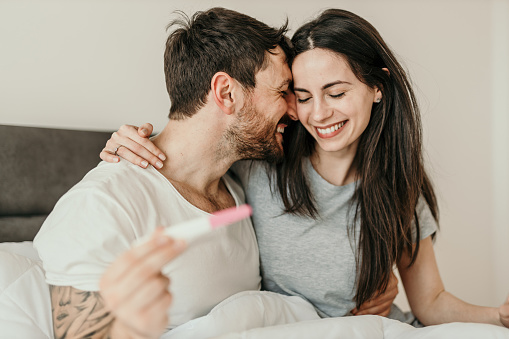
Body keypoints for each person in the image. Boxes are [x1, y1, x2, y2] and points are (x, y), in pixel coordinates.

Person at [101, 9, 509, 328]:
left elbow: (430, 302)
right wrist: (136, 140)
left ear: (377, 87)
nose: (319, 113)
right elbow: (198, 138)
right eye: (302, 96)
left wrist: (497, 316)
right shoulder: (262, 161)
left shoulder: (400, 185)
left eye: (336, 92)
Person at [33, 7, 296, 339]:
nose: (294, 110)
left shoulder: (241, 186)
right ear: (226, 93)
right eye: (281, 91)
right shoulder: (103, 204)